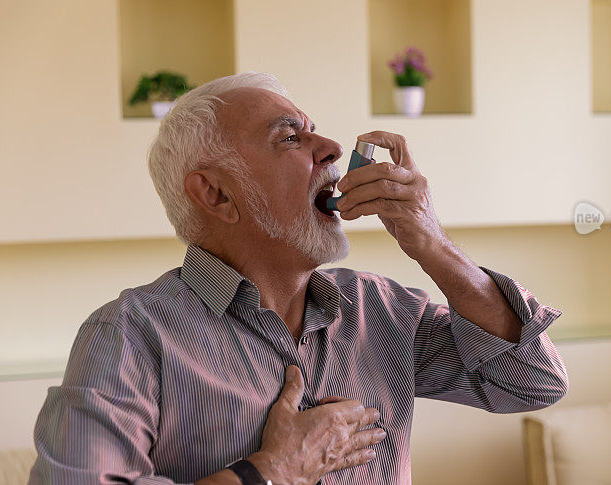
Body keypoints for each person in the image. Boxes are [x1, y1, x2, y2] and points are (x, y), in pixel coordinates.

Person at [29, 72, 569, 485]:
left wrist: (433, 245)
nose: (332, 149)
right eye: (291, 138)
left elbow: (534, 382)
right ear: (215, 193)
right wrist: (270, 473)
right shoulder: (130, 336)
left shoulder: (379, 310)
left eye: (312, 130)